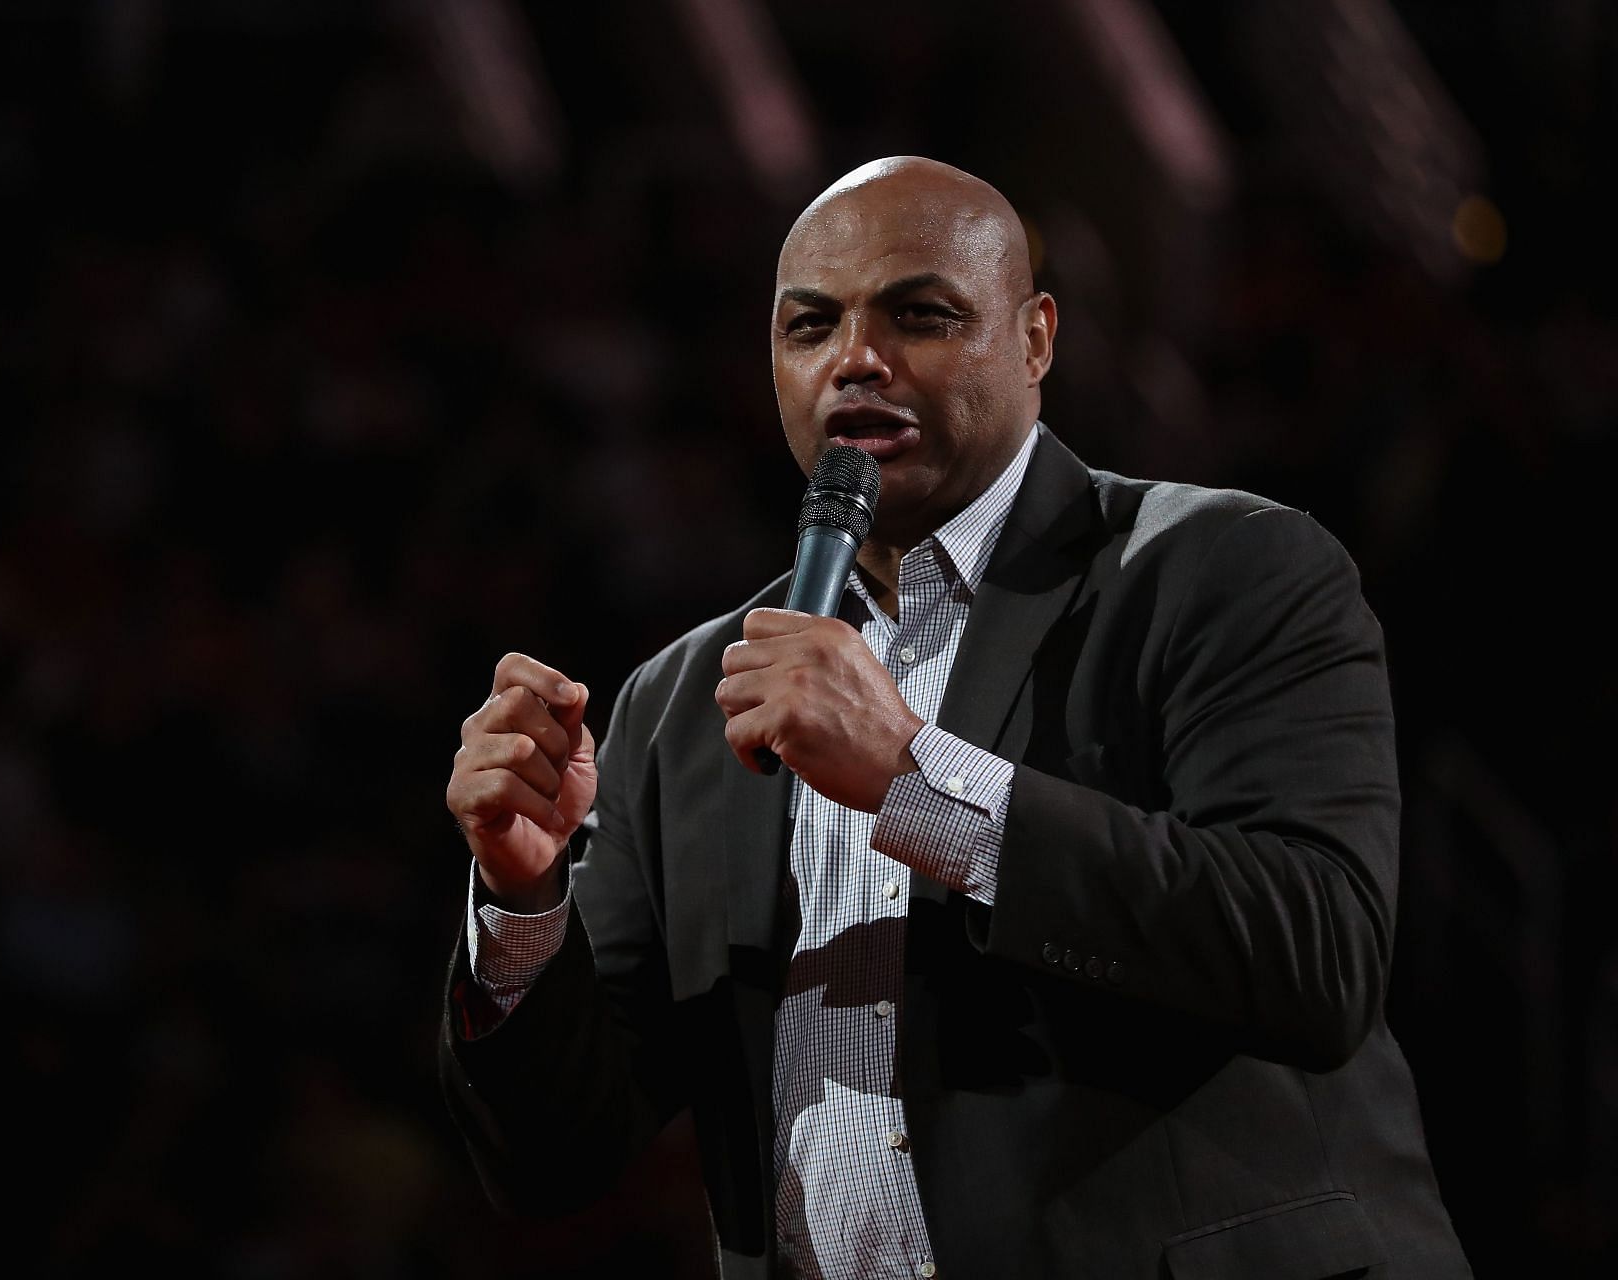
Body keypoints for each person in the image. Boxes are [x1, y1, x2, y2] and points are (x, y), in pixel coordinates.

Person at [440, 156, 1469, 1279]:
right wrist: (525, 897)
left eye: (921, 314)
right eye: (810, 326)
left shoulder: (1229, 569)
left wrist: (916, 780)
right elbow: (553, 1158)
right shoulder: (686, 699)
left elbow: (1315, 954)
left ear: (1035, 339)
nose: (857, 359)